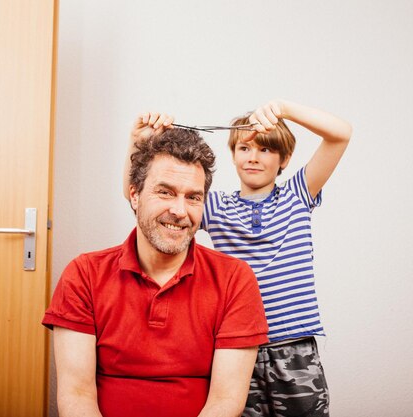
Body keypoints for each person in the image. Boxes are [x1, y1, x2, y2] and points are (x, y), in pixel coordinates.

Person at [124, 101, 352, 417]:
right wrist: (139, 141)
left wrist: (284, 110)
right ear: (233, 155)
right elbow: (139, 198)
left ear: (284, 159)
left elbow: (340, 134)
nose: (253, 157)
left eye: (266, 150)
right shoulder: (215, 206)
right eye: (245, 148)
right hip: (236, 349)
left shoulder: (298, 194)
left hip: (295, 348)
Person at [44, 127, 269, 417]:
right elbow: (76, 394)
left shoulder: (235, 279)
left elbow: (225, 401)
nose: (179, 210)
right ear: (134, 195)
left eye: (193, 197)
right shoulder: (84, 274)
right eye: (165, 192)